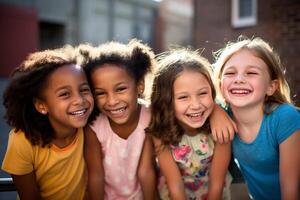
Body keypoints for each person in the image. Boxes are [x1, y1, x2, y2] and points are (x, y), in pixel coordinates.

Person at [1, 46, 94, 200]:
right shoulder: (22, 141)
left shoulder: (91, 128)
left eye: (84, 90)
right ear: (41, 106)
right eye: (65, 94)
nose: (79, 100)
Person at [214, 36, 300, 200]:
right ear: (220, 86)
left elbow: (291, 190)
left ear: (271, 86)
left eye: (251, 73)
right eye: (231, 73)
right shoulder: (223, 116)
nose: (239, 79)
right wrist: (215, 112)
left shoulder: (284, 117)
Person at [145, 48, 232, 200]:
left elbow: (217, 183)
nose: (196, 105)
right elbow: (174, 184)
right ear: (166, 101)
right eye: (183, 97)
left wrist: (217, 110)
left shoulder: (219, 129)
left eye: (203, 93)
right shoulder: (161, 131)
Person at [79, 39, 157, 200]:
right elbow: (96, 175)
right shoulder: (94, 126)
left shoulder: (150, 117)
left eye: (120, 89)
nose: (112, 101)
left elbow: (146, 171)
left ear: (140, 86)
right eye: (101, 93)